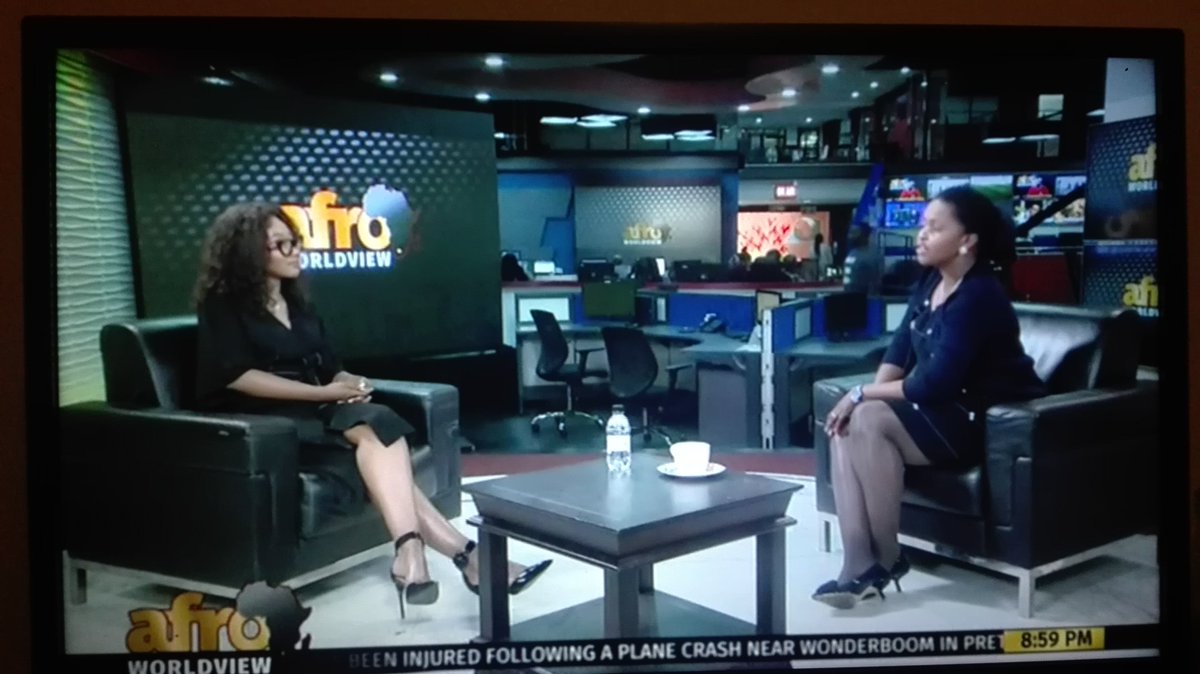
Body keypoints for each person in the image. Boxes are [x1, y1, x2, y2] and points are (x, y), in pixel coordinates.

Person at [193, 203, 551, 619]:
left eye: (295, 242)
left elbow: (330, 366)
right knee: (376, 432)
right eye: (282, 244)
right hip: (262, 420)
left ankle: (416, 554)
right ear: (250, 252)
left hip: (313, 408)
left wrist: (349, 382)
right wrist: (322, 392)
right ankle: (465, 557)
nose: (295, 251)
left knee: (376, 423)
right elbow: (236, 376)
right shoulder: (222, 306)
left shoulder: (298, 304)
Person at [813, 186, 1046, 609]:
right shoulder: (930, 282)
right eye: (923, 225)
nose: (921, 235)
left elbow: (933, 384)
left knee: (866, 416)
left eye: (935, 228)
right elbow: (899, 352)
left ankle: (887, 558)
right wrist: (862, 401)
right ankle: (856, 564)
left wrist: (861, 393)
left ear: (967, 241)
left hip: (983, 422)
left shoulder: (979, 295)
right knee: (848, 422)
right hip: (940, 412)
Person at [842, 224, 883, 294]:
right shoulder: (852, 252)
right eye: (850, 233)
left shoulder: (872, 255)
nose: (850, 236)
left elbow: (877, 280)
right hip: (849, 294)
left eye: (854, 233)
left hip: (865, 296)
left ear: (864, 235)